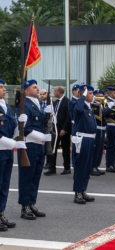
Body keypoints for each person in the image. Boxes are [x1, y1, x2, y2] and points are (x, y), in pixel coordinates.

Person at [17, 79, 52, 219]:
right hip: (29, 145)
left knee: (36, 176)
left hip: (39, 145)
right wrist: (42, 137)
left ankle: (32, 203)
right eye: (34, 87)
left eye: (37, 87)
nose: (38, 89)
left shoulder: (38, 104)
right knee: (27, 176)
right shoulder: (25, 105)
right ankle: (24, 206)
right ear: (26, 91)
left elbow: (44, 124)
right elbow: (26, 128)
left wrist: (49, 114)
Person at [0, 79, 27, 230]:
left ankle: (1, 214)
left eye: (4, 87)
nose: (4, 89)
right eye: (1, 87)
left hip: (7, 152)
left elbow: (11, 131)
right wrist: (13, 144)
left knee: (4, 185)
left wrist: (20, 124)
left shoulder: (7, 108)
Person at [71, 85, 96, 204]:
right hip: (82, 139)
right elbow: (78, 109)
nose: (92, 95)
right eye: (90, 93)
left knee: (87, 166)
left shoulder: (89, 107)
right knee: (80, 166)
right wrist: (83, 95)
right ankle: (77, 193)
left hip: (90, 139)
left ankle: (83, 189)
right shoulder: (78, 105)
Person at [44, 86, 71, 176]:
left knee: (65, 149)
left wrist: (64, 129)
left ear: (59, 92)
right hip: (55, 128)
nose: (54, 93)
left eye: (55, 91)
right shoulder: (55, 102)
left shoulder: (67, 101)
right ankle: (52, 168)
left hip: (64, 129)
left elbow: (68, 117)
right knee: (53, 148)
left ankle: (67, 168)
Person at [39, 89, 49, 169]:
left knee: (48, 145)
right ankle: (42, 161)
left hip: (49, 127)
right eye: (41, 94)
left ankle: (49, 162)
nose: (42, 95)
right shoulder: (39, 104)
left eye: (44, 94)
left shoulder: (51, 104)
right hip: (41, 127)